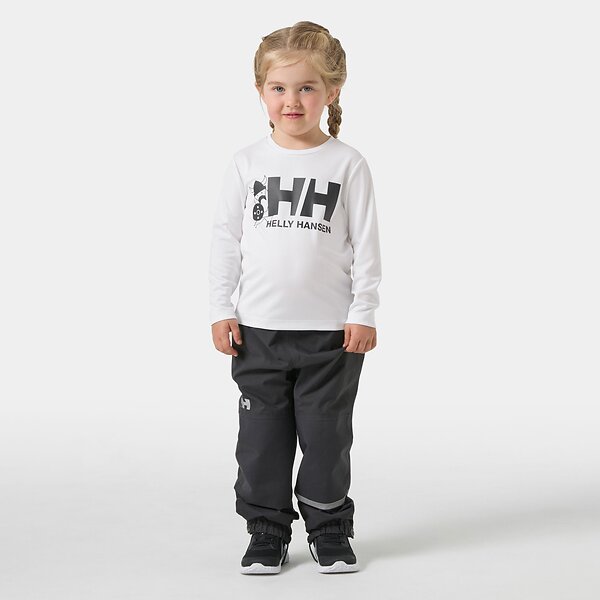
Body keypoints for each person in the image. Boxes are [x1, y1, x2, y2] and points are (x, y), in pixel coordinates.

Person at [208, 21, 382, 575]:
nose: (292, 101)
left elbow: (366, 244)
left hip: (331, 336)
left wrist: (363, 311)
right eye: (279, 88)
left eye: (307, 88)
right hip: (258, 332)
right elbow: (226, 239)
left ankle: (329, 529)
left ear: (331, 92)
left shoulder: (347, 164)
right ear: (260, 91)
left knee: (327, 439)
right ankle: (267, 530)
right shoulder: (247, 163)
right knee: (262, 440)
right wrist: (221, 308)